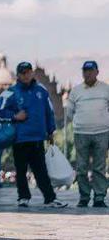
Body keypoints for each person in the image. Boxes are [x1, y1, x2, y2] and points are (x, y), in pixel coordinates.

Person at [0, 62, 67, 208]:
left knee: (41, 171)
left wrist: (51, 131)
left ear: (32, 73)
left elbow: (49, 112)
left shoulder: (41, 91)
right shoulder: (11, 91)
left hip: (38, 138)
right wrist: (14, 116)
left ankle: (50, 198)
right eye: (23, 73)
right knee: (21, 170)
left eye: (28, 72)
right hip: (20, 138)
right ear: (18, 75)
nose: (26, 75)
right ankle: (23, 197)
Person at [66, 60, 109, 208]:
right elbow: (69, 112)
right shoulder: (76, 91)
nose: (88, 73)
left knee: (99, 167)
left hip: (102, 133)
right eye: (85, 70)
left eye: (90, 70)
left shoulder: (106, 89)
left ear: (97, 72)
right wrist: (81, 121)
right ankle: (84, 197)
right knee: (82, 167)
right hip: (81, 133)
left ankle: (99, 197)